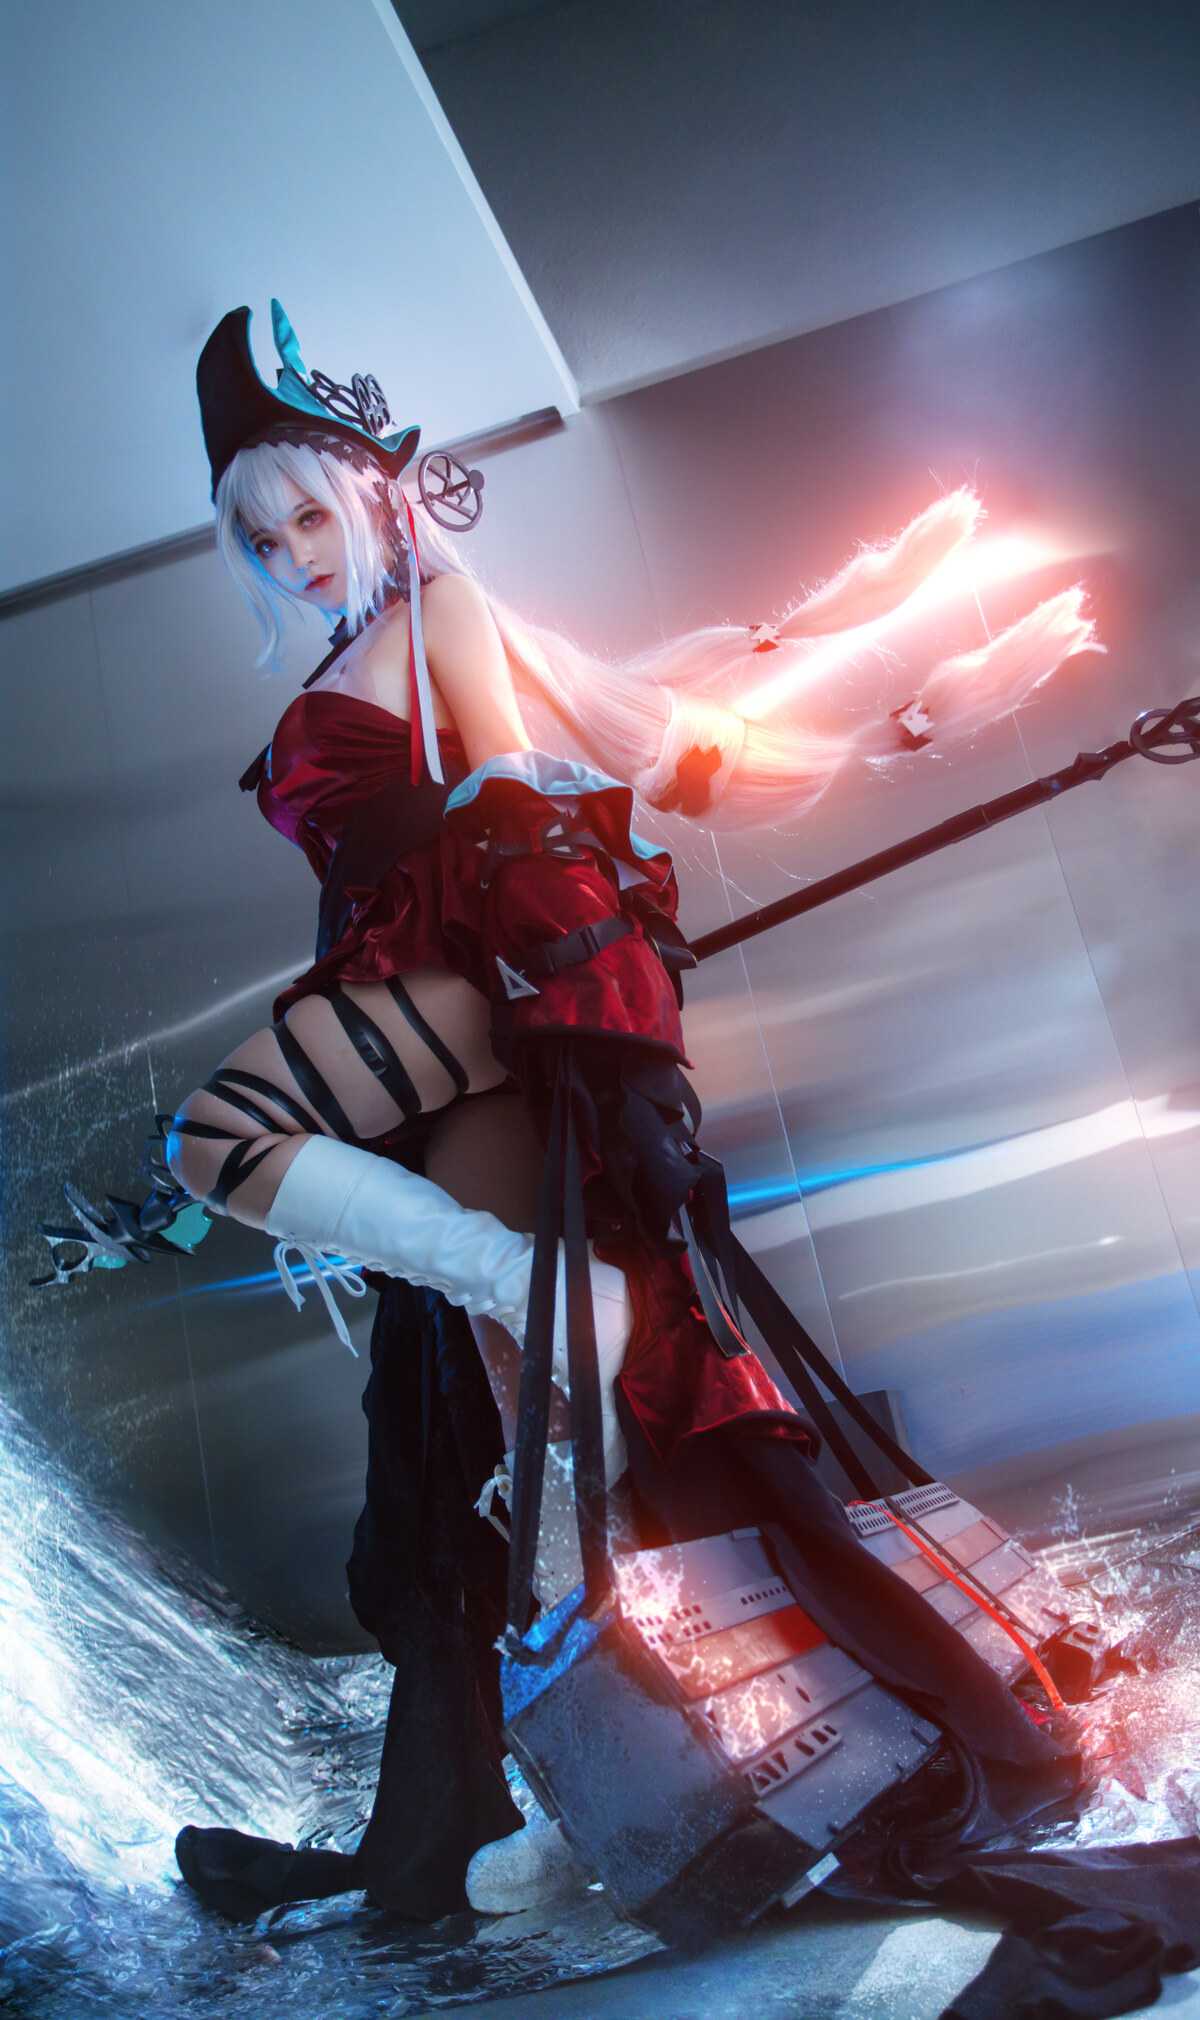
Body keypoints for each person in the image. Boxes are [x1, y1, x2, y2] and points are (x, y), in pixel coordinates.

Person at [167, 300, 1101, 1922]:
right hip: (437, 1058)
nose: (294, 555)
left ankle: (578, 1751)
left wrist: (912, 698)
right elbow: (668, 705)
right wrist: (865, 630)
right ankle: (595, 1786)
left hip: (459, 1005)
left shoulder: (440, 610)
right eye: (263, 538)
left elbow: (545, 802)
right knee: (538, 1435)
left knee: (253, 1169)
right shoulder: (383, 637)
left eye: (310, 515)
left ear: (371, 494)